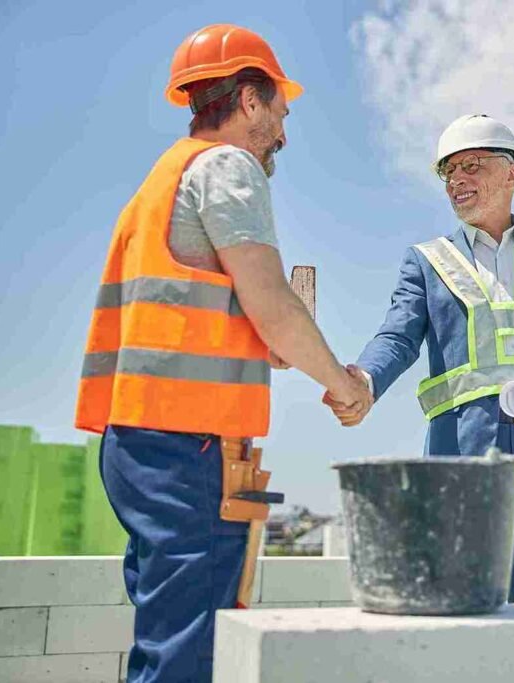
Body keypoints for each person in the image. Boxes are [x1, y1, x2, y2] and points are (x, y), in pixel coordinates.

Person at [73, 24, 371, 683]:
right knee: (192, 649)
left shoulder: (160, 182)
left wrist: (273, 343)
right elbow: (271, 303)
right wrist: (344, 385)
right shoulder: (226, 166)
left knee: (167, 638)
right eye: (280, 112)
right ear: (249, 100)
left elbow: (205, 317)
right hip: (190, 445)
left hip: (136, 443)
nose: (283, 134)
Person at [326, 114, 514, 602]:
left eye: (471, 166)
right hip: (460, 451)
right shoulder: (427, 260)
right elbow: (397, 337)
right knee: (462, 600)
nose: (456, 180)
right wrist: (364, 379)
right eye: (448, 171)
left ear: (512, 173)